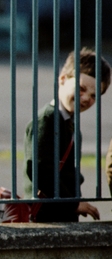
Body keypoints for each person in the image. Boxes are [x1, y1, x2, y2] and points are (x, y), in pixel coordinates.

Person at [25, 48, 110, 223]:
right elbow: (40, 171)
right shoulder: (47, 119)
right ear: (62, 79)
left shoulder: (69, 123)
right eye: (81, 88)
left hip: (60, 214)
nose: (86, 98)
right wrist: (72, 204)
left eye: (94, 95)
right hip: (45, 216)